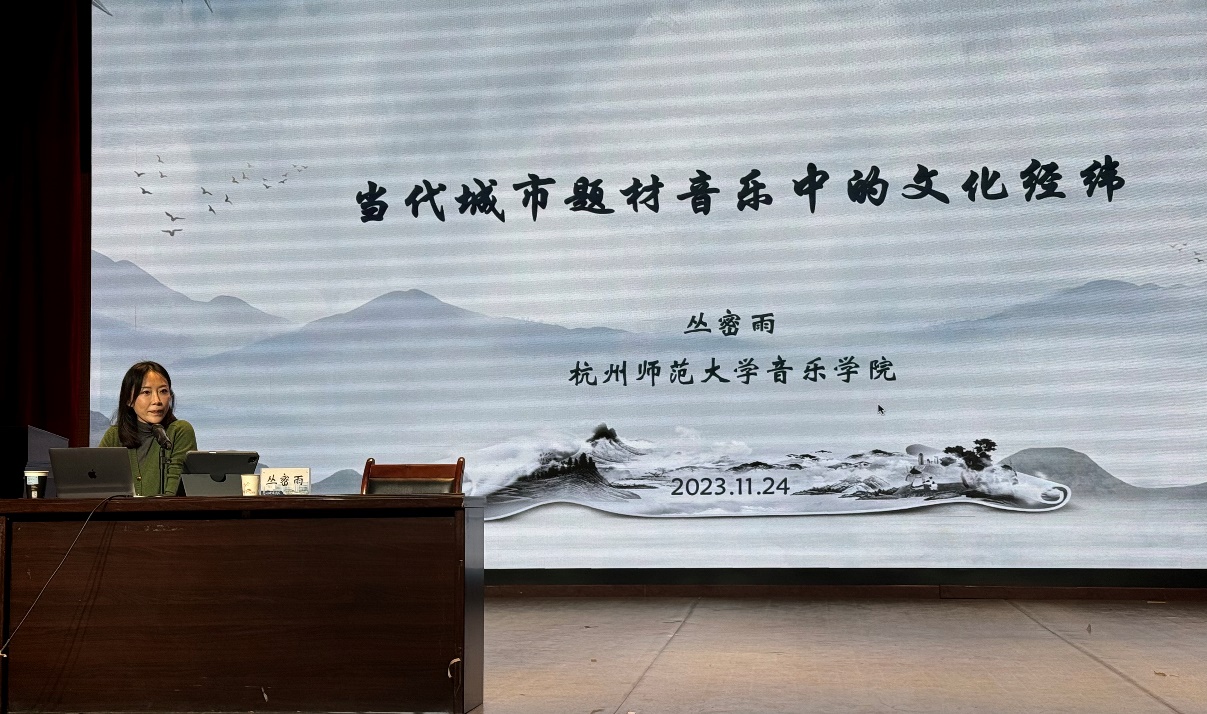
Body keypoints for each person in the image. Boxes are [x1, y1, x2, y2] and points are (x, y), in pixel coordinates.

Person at [99, 361, 197, 496]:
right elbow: (96, 486)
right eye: (146, 392)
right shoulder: (114, 435)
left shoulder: (180, 431)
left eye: (163, 391)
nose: (157, 400)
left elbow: (172, 495)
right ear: (129, 400)